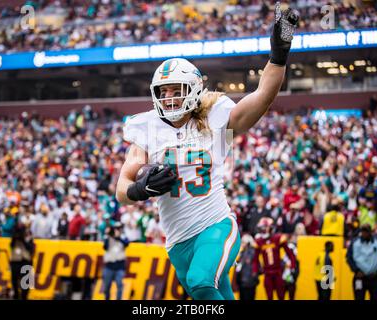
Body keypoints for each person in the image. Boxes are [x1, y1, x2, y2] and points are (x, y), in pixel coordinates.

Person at [115, 3, 300, 300]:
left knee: (202, 282)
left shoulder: (216, 120)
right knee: (214, 295)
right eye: (163, 92)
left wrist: (278, 56)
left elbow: (263, 97)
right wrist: (140, 189)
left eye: (176, 90)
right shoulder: (147, 127)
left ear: (193, 89)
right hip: (177, 243)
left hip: (215, 226)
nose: (169, 98)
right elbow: (121, 188)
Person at [252, 217, 296, 300]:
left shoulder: (277, 238)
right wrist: (255, 271)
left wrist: (293, 266)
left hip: (278, 272)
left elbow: (290, 254)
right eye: (261, 228)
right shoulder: (259, 241)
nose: (262, 230)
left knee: (281, 296)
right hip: (267, 273)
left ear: (271, 228)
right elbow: (255, 259)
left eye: (264, 228)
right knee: (269, 296)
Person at [346, 224, 377, 300]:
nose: (364, 234)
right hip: (359, 277)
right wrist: (356, 270)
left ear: (370, 232)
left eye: (366, 231)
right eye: (363, 231)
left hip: (374, 278)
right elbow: (349, 258)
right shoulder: (355, 243)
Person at [103, 222, 129, 300]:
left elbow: (127, 244)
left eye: (119, 228)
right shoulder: (108, 238)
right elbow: (105, 247)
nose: (117, 230)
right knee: (107, 286)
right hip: (109, 265)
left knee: (119, 284)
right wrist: (110, 236)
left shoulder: (124, 237)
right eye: (116, 229)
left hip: (120, 265)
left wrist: (118, 238)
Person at [10, 226, 35, 300]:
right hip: (15, 261)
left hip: (26, 261)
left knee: (25, 282)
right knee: (14, 280)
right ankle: (16, 295)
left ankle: (24, 297)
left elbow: (30, 248)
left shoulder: (29, 238)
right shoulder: (15, 238)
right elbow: (11, 245)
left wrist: (23, 240)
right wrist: (15, 237)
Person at [235, 234, 259, 300]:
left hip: (249, 281)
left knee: (248, 296)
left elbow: (250, 265)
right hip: (243, 281)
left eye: (243, 242)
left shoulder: (252, 252)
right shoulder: (242, 252)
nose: (242, 244)